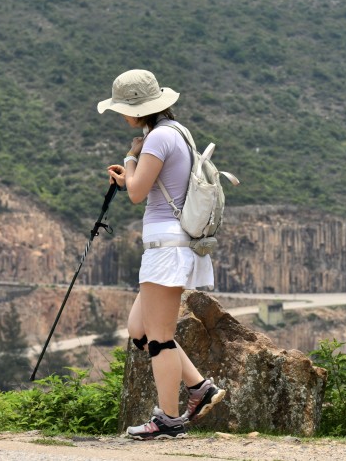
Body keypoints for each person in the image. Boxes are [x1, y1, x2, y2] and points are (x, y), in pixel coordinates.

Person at [98, 69, 226, 441]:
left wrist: (131, 158)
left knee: (159, 338)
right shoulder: (177, 132)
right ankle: (200, 389)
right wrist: (133, 171)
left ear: (139, 109)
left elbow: (138, 193)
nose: (122, 116)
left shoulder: (156, 140)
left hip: (166, 248)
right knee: (139, 330)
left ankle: (169, 420)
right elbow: (151, 185)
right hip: (168, 245)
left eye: (124, 108)